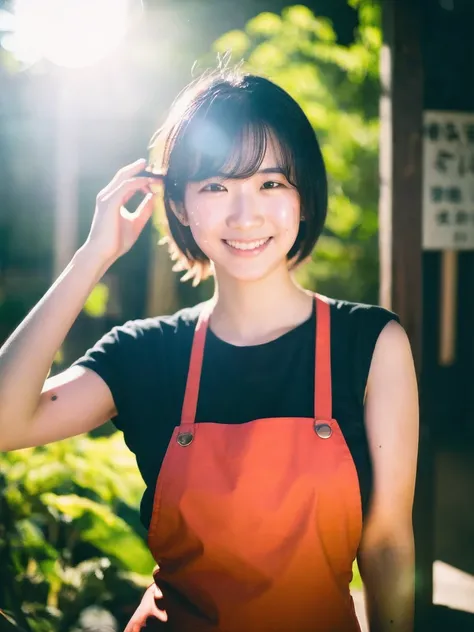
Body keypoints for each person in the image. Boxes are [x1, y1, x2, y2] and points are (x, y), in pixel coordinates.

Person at [0, 67, 419, 631]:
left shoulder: (371, 344)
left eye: (271, 184)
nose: (245, 216)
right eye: (216, 186)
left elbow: (388, 544)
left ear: (304, 196)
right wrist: (92, 258)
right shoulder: (145, 354)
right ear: (180, 204)